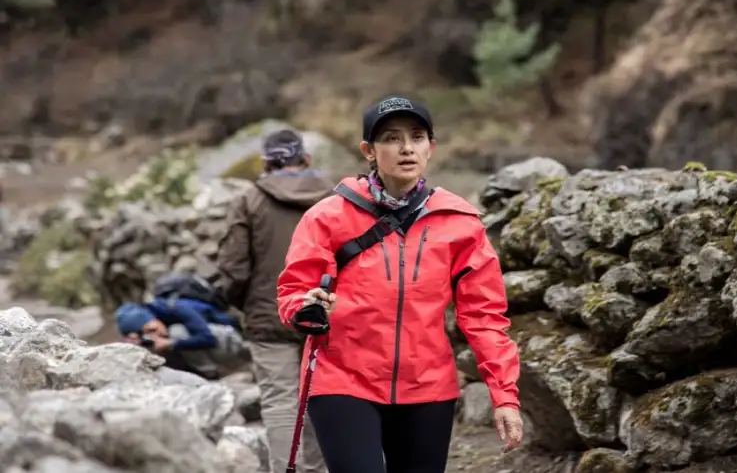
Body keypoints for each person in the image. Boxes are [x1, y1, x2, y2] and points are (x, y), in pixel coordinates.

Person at [277, 95, 523, 473]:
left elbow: (484, 316)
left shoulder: (460, 223)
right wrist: (305, 308)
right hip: (343, 381)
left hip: (428, 388)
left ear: (431, 147)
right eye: (391, 138)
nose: (406, 148)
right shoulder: (327, 217)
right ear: (369, 151)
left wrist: (504, 395)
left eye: (417, 136)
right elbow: (295, 289)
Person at [216, 129, 331, 473]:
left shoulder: (248, 200)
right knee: (324, 397)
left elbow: (233, 267)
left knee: (281, 402)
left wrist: (243, 302)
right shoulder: (334, 198)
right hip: (329, 314)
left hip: (270, 316)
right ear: (306, 160)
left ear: (265, 163)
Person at [114, 296, 245, 380]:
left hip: (231, 338)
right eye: (147, 334)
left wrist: (172, 343)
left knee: (176, 333)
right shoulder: (159, 321)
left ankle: (212, 374)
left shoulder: (177, 308)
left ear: (153, 319)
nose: (154, 336)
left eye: (152, 330)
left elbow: (208, 338)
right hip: (216, 349)